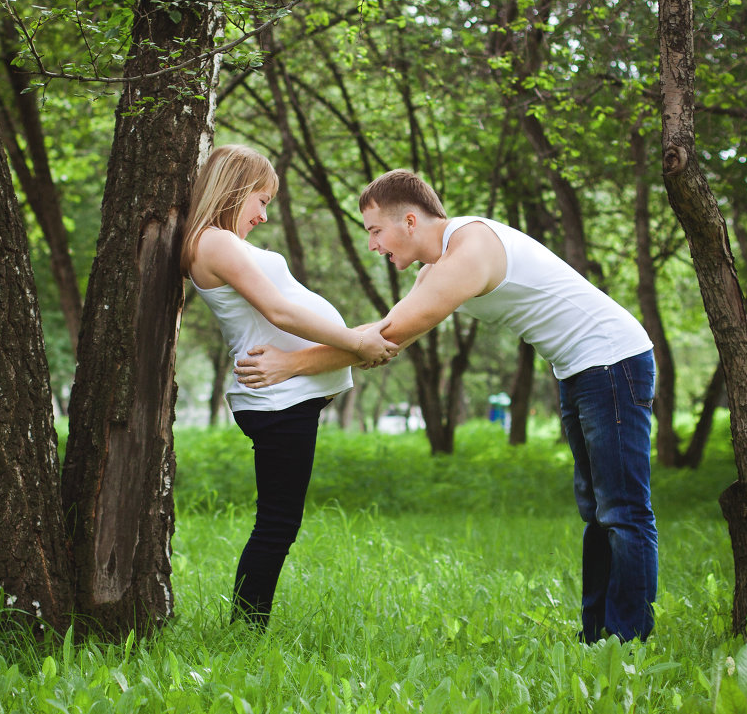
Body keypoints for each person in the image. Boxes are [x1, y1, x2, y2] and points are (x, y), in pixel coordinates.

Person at [234, 169, 658, 642]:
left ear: (410, 221)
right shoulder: (438, 265)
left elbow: (391, 337)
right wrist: (299, 362)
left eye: (376, 231)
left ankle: (630, 643)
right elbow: (384, 333)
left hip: (613, 362)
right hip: (580, 370)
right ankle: (599, 638)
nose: (373, 246)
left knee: (622, 512)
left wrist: (291, 364)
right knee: (598, 512)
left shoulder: (468, 252)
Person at [181, 144, 398, 629]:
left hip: (287, 396)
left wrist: (351, 344)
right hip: (275, 398)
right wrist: (354, 343)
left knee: (279, 521)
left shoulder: (221, 242)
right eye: (260, 199)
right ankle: (245, 627)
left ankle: (247, 623)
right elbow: (279, 312)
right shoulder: (213, 241)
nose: (262, 215)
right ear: (234, 188)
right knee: (278, 523)